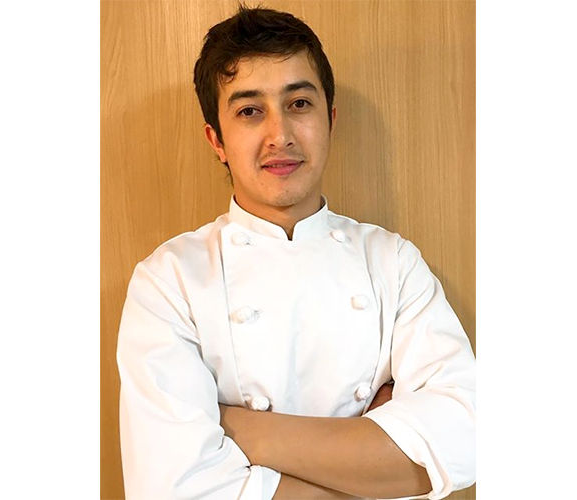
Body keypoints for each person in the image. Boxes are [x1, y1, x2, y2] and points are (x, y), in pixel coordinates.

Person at [116, 6, 475, 499]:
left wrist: (246, 431)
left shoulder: (392, 262)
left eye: (299, 103)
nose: (280, 135)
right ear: (216, 140)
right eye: (249, 111)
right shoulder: (169, 280)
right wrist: (376, 463)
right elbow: (175, 489)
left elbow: (467, 437)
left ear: (330, 120)